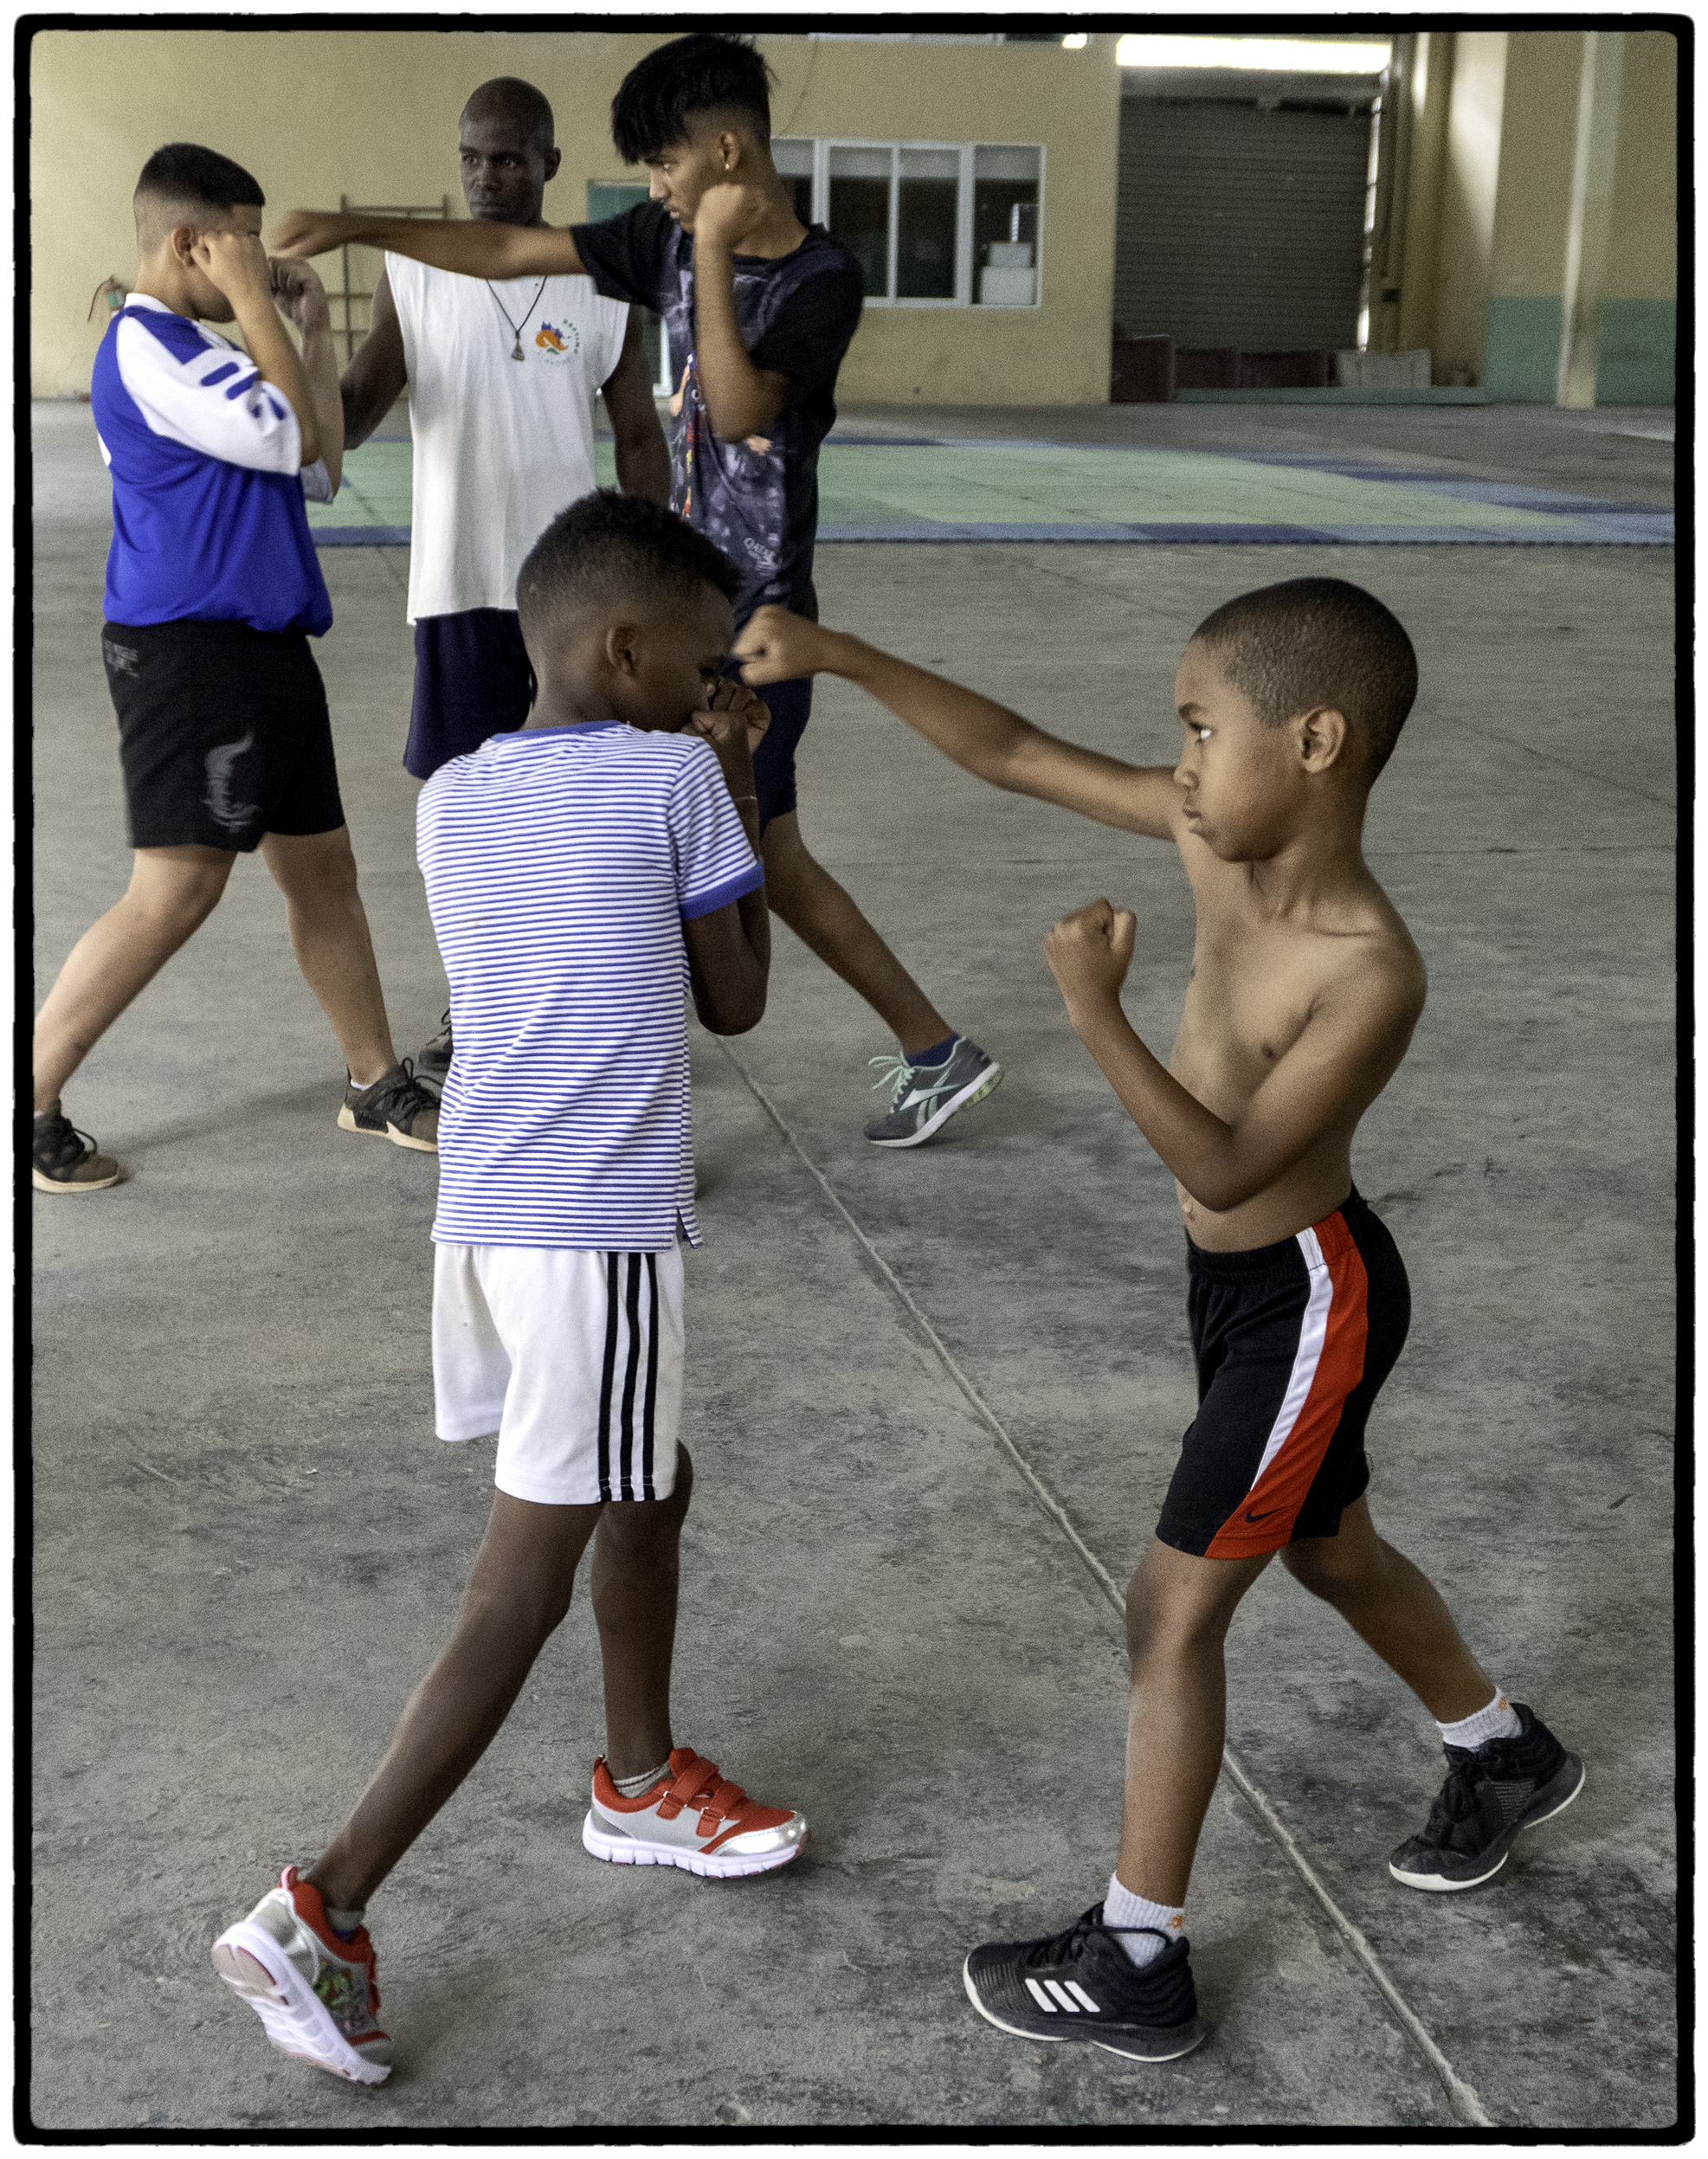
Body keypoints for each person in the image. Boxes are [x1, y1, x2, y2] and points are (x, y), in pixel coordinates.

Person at [732, 579, 1583, 2062]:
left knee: (1168, 1605)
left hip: (1310, 1295)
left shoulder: (1368, 969)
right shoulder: (1208, 837)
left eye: (1201, 729)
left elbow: (1227, 1159)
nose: (1179, 765)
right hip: (1237, 1288)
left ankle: (1138, 1951)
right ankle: (1498, 1746)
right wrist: (837, 652)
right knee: (1327, 1543)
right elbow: (1011, 749)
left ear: (1313, 738)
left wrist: (1091, 1011)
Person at [211, 493, 805, 2085]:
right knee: (518, 1581)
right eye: (693, 660)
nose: (708, 686)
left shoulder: (455, 795)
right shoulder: (684, 768)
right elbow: (737, 998)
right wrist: (740, 778)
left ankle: (634, 1772)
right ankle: (322, 1904)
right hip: (601, 1224)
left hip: (487, 1212)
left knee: (647, 1472)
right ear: (623, 649)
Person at [275, 34, 1001, 1150]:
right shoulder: (655, 239)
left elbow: (743, 407)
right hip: (673, 623)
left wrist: (703, 252)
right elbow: (507, 251)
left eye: (663, 166)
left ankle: (630, 1091)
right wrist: (354, 228)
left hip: (752, 632)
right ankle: (927, 1047)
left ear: (722, 152)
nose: (653, 189)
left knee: (719, 868)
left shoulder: (818, 277)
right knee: (756, 861)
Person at [32, 142, 437, 1195]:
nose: (258, 262)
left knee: (323, 873)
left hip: (263, 649)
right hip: (190, 656)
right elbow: (289, 428)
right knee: (174, 891)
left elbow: (321, 463)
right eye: (243, 245)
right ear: (189, 243)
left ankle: (372, 1080)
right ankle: (25, 1098)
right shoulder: (151, 347)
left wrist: (303, 321)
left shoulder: (211, 350)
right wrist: (260, 307)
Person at [335, 74, 673, 1090]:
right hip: (453, 586)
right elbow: (353, 408)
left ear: (550, 165)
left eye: (510, 158)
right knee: (462, 814)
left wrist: (651, 581)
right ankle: (476, 999)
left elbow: (639, 440)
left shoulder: (601, 282)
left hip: (565, 603)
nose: (487, 177)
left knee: (576, 815)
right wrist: (289, 346)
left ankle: (574, 999)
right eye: (472, 158)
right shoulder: (416, 271)